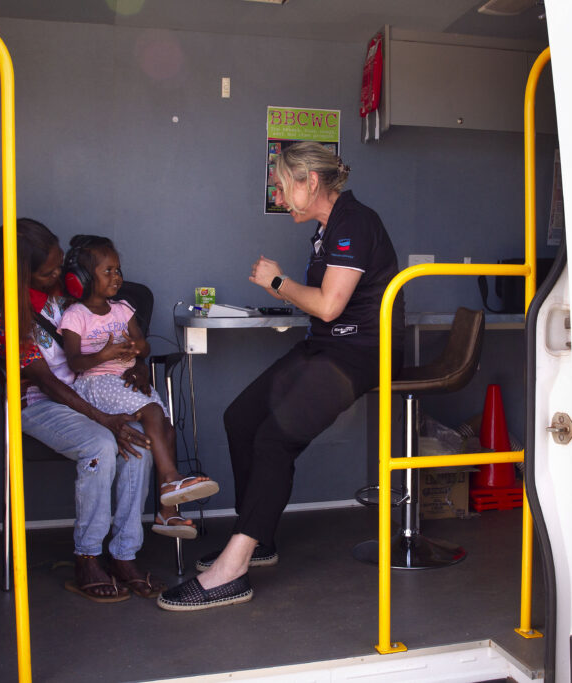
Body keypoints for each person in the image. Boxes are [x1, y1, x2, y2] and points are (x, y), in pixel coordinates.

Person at [158, 141, 405, 611]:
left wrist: (277, 282)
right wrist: (287, 289)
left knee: (274, 439)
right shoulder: (326, 229)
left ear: (309, 182)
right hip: (327, 346)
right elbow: (326, 307)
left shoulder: (354, 222)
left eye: (280, 184)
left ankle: (234, 569)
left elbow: (330, 305)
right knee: (240, 418)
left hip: (359, 354)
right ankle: (261, 537)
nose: (278, 193)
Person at [0, 218, 164, 602]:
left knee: (141, 442)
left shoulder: (66, 298)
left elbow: (111, 337)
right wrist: (105, 420)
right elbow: (47, 382)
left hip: (91, 391)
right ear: (23, 273)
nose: (57, 276)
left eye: (59, 265)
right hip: (40, 404)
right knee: (102, 444)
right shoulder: (5, 313)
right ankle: (88, 556)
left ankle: (124, 554)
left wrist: (135, 365)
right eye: (48, 271)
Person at [58, 234, 219, 539]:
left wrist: (137, 348)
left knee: (167, 429)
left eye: (118, 270)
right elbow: (74, 363)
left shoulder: (122, 309)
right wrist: (104, 354)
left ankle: (166, 514)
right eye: (108, 271)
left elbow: (144, 347)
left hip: (125, 381)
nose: (117, 277)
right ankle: (171, 478)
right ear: (82, 279)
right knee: (153, 413)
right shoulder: (75, 315)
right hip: (96, 383)